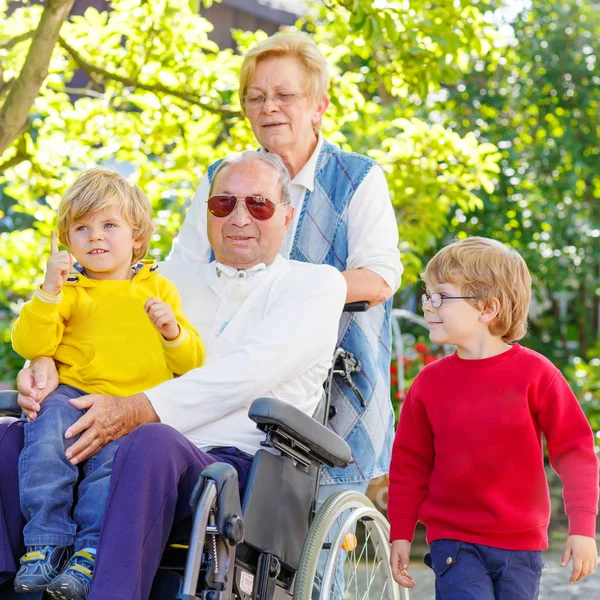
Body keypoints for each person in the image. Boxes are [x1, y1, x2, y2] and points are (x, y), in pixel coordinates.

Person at [3, 151, 348, 600]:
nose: (239, 217)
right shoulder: (165, 278)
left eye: (258, 205)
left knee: (149, 441)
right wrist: (43, 362)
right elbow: (95, 325)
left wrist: (137, 411)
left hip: (233, 458)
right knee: (10, 435)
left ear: (287, 215)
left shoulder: (314, 285)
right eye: (223, 203)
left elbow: (250, 373)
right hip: (118, 435)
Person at [168, 32, 403, 502]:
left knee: (318, 541)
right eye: (256, 97)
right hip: (231, 387)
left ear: (318, 105)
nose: (269, 107)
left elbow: (377, 278)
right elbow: (180, 271)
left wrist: (295, 293)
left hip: (335, 389)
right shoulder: (225, 177)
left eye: (284, 95)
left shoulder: (357, 177)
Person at [10, 169, 205, 599]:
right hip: (71, 396)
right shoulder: (70, 290)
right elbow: (29, 342)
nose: (95, 236)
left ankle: (89, 554)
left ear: (137, 236)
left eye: (109, 225)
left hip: (133, 407)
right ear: (67, 240)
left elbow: (191, 363)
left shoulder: (158, 288)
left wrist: (173, 332)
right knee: (44, 450)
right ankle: (45, 544)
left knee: (109, 473)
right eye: (82, 228)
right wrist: (46, 292)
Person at [388, 237, 599, 599]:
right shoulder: (428, 383)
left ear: (487, 308)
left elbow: (575, 450)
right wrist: (401, 532)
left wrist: (582, 528)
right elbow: (410, 464)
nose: (427, 306)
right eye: (426, 295)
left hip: (522, 546)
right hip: (454, 543)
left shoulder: (537, 374)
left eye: (440, 296)